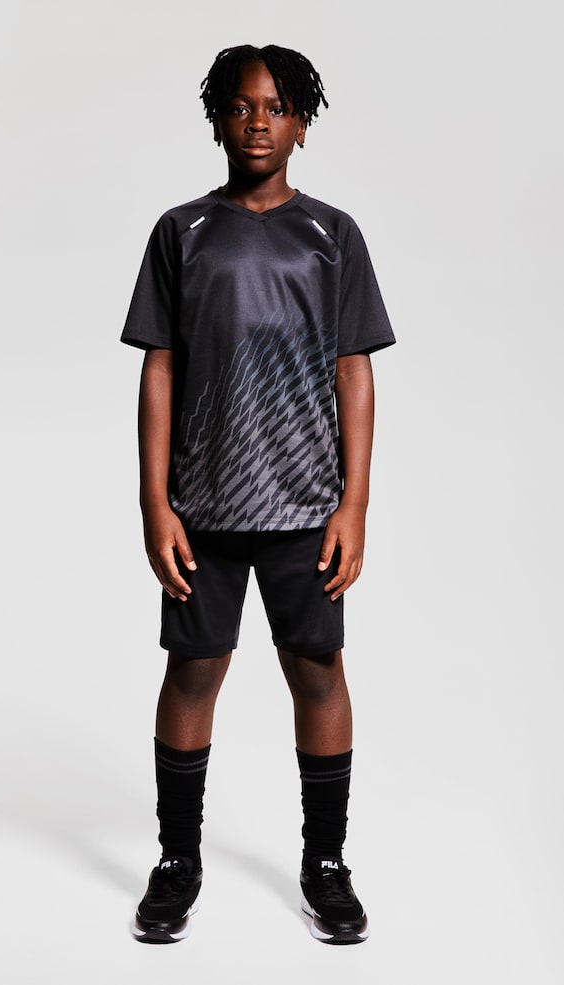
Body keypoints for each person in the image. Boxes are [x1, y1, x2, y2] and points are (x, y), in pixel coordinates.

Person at [120, 43, 395, 945]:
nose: (258, 123)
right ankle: (177, 860)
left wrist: (352, 504)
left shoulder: (332, 234)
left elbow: (353, 369)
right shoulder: (182, 230)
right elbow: (160, 367)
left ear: (303, 124)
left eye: (276, 108)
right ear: (217, 121)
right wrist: (155, 502)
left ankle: (326, 863)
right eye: (241, 107)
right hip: (201, 505)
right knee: (192, 671)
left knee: (317, 670)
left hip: (305, 504)